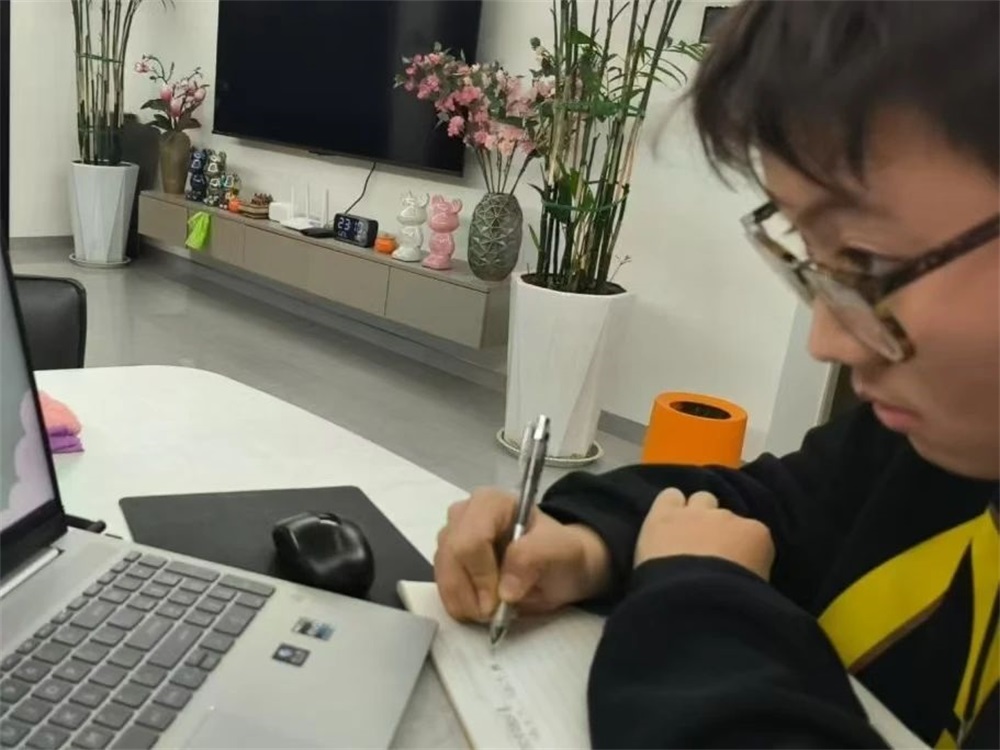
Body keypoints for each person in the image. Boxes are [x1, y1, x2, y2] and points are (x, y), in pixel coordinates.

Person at [433, 1, 999, 747]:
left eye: (868, 260)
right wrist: (586, 543)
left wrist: (696, 596)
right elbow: (772, 503)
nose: (827, 340)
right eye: (814, 262)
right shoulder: (932, 452)